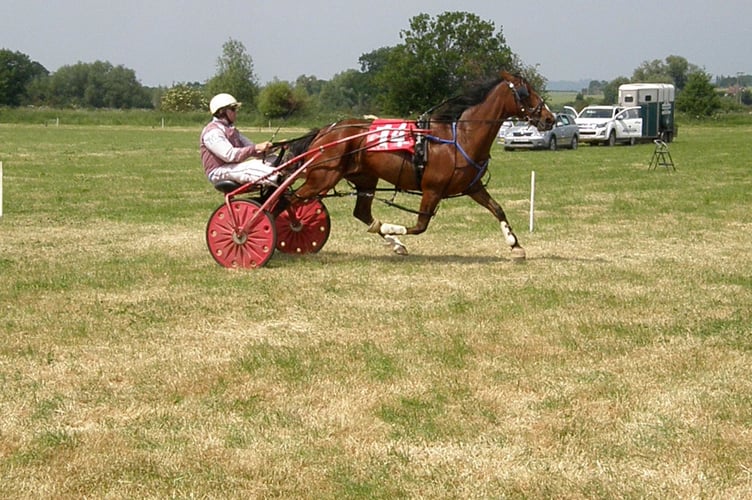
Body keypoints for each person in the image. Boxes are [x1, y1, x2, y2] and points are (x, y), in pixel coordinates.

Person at [200, 93, 278, 187]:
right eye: (233, 109)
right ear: (221, 111)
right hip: (218, 171)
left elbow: (254, 150)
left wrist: (275, 147)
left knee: (277, 160)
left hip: (233, 168)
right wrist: (256, 147)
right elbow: (230, 155)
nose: (236, 113)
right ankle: (279, 181)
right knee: (254, 168)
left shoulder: (232, 130)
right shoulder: (212, 132)